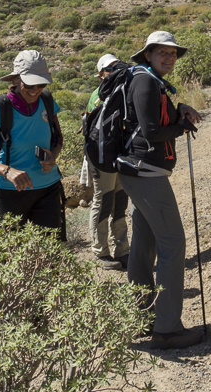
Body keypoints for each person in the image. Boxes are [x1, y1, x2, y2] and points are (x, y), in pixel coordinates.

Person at [118, 31, 204, 350]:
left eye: (173, 53)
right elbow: (152, 131)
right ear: (148, 54)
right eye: (162, 53)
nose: (169, 57)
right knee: (173, 242)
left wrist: (178, 108)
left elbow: (153, 118)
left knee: (145, 241)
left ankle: (142, 315)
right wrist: (181, 128)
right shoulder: (145, 81)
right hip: (146, 172)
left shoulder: (151, 80)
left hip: (138, 170)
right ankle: (167, 329)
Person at [0, 49, 64, 235]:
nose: (35, 90)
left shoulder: (47, 101)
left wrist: (53, 156)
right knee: (10, 254)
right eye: (30, 84)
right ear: (15, 79)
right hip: (10, 191)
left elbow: (58, 138)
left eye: (41, 84)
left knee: (49, 251)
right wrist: (7, 171)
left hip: (48, 187)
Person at [83, 53, 131, 268]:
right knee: (103, 201)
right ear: (100, 74)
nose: (114, 72)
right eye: (109, 69)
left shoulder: (123, 90)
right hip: (101, 156)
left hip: (119, 155)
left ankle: (122, 249)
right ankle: (100, 251)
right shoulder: (99, 94)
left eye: (116, 67)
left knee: (120, 202)